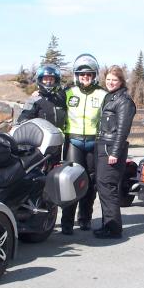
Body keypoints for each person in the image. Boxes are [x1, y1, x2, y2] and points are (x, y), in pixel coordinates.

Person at [61, 53, 106, 235]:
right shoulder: (68, 93)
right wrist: (37, 93)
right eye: (81, 74)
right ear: (76, 75)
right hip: (74, 141)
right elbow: (50, 103)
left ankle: (85, 218)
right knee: (70, 181)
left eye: (89, 75)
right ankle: (66, 222)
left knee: (90, 182)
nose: (85, 78)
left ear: (94, 75)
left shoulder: (103, 94)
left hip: (94, 142)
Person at [94, 65, 136, 239]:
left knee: (108, 187)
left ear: (121, 81)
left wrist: (115, 153)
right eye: (109, 79)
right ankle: (107, 224)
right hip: (103, 145)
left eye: (115, 80)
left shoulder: (124, 101)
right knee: (103, 187)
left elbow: (122, 130)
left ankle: (113, 228)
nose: (111, 82)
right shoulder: (110, 97)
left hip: (111, 148)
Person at [17, 63, 66, 129]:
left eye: (51, 79)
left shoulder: (61, 97)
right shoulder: (34, 99)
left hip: (61, 137)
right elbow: (24, 117)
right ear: (40, 80)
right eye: (45, 79)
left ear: (56, 80)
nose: (48, 82)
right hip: (42, 137)